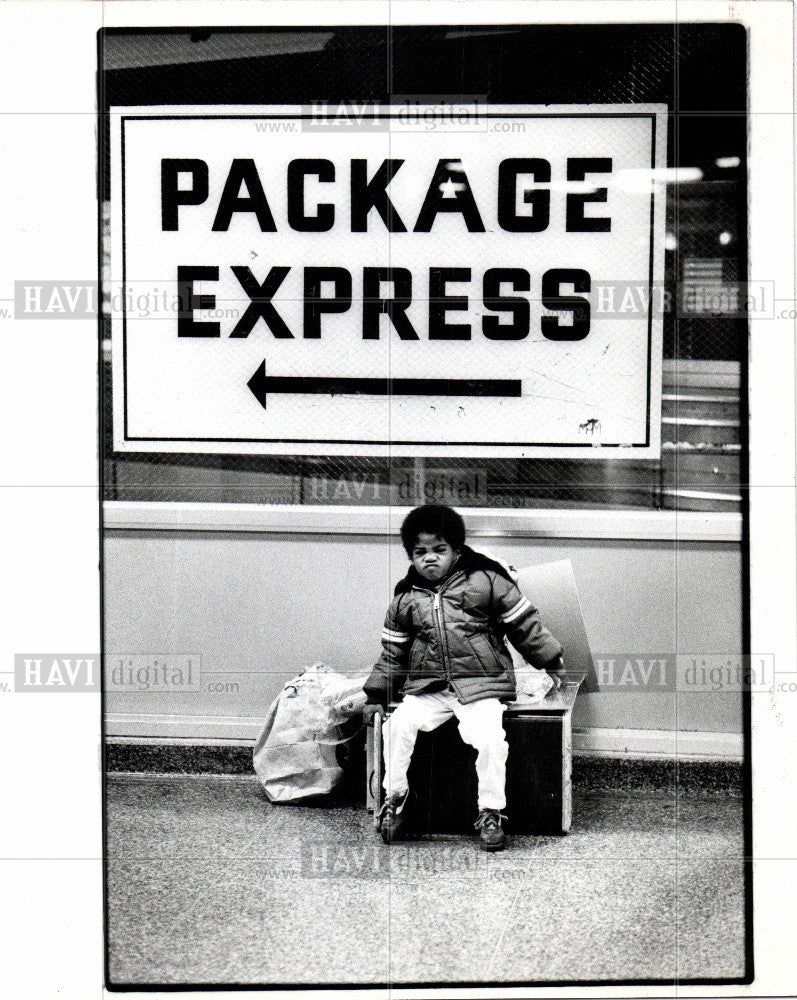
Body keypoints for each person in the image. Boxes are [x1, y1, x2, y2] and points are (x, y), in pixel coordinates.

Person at [363, 504, 563, 851]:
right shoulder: (405, 598)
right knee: (396, 727)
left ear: (457, 550)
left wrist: (551, 661)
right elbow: (392, 653)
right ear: (410, 555)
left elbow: (525, 625)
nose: (429, 559)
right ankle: (395, 801)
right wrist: (375, 695)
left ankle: (490, 811)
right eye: (420, 552)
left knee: (489, 739)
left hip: (480, 685)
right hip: (429, 687)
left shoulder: (486, 581)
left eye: (439, 550)